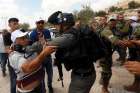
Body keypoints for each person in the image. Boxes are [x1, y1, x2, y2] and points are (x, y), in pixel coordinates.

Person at [47, 11, 105, 93]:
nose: (54, 27)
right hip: (86, 73)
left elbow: (48, 45)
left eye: (56, 25)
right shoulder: (76, 31)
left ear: (64, 25)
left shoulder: (69, 36)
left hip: (82, 78)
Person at [29, 19, 53, 93]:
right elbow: (31, 48)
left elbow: (49, 42)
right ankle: (43, 89)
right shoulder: (32, 34)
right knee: (41, 75)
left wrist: (45, 42)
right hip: (39, 58)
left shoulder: (47, 31)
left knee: (50, 74)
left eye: (42, 22)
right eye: (39, 23)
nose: (40, 24)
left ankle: (50, 86)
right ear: (36, 23)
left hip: (48, 56)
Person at [8, 17, 20, 93]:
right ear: (9, 25)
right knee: (13, 80)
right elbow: (7, 50)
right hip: (12, 60)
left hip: (22, 58)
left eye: (17, 24)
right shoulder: (7, 35)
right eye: (14, 24)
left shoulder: (21, 32)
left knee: (23, 79)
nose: (16, 26)